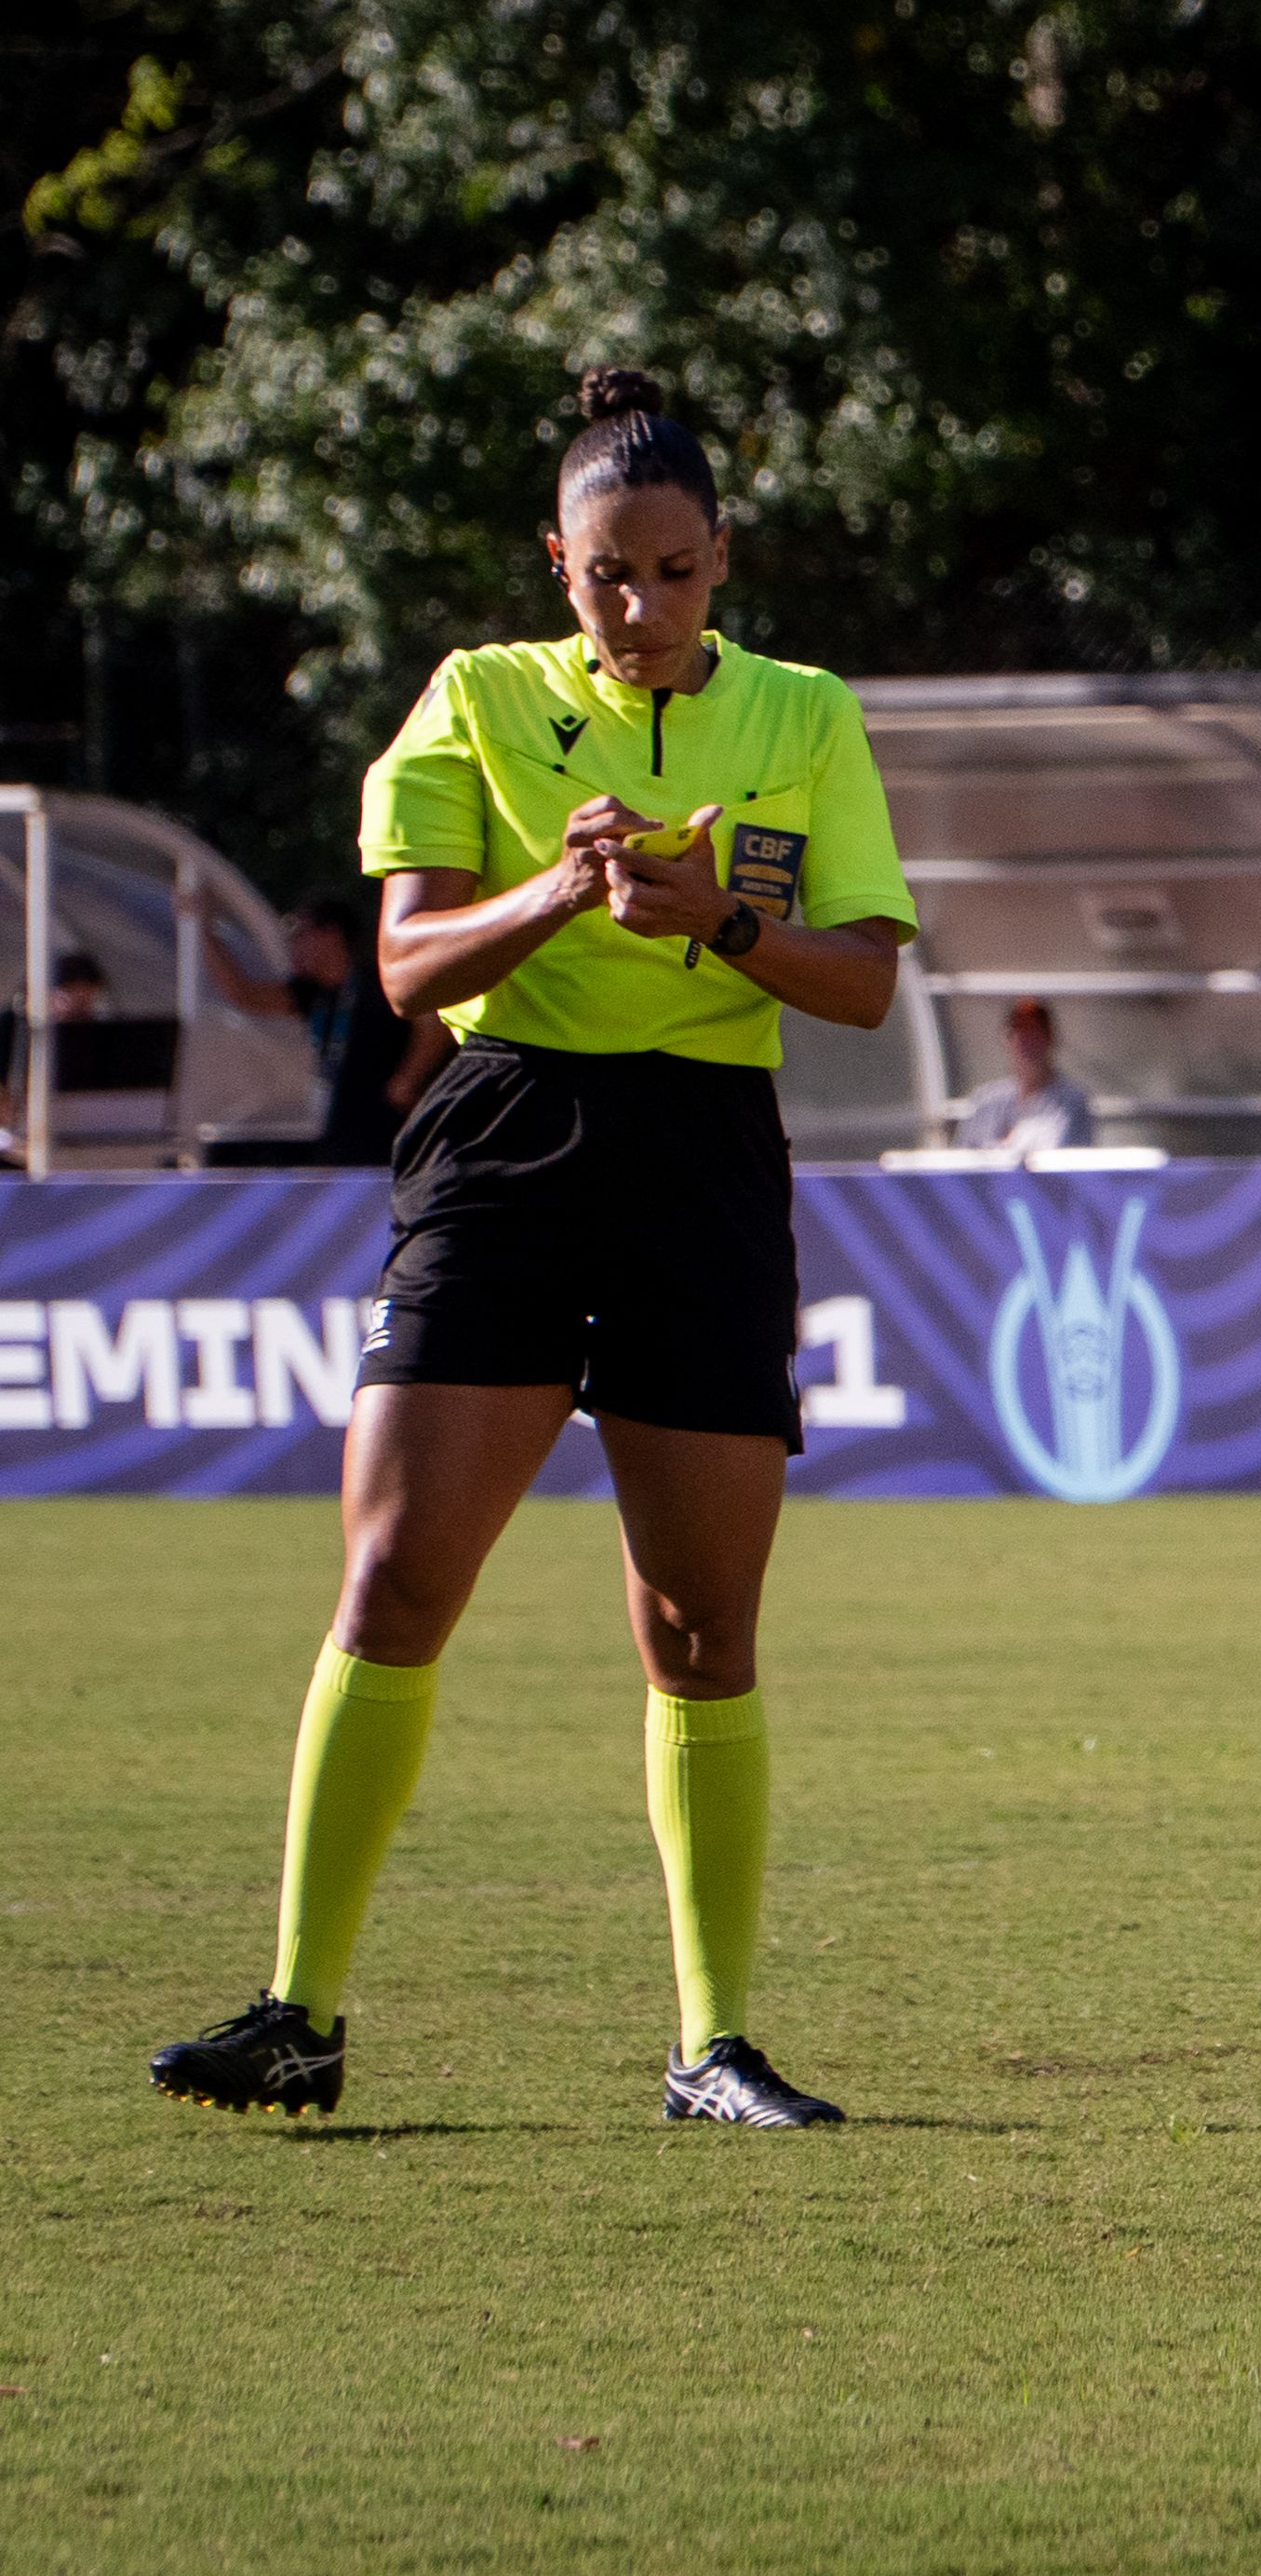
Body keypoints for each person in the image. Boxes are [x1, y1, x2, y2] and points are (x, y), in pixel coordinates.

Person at [142, 367, 916, 2132]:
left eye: (673, 572)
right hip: (505, 1136)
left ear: (723, 556)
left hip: (704, 1155)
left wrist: (719, 922)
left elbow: (865, 981)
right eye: (606, 576)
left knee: (698, 1622)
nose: (640, 607)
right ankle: (300, 2012)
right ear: (557, 567)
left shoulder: (804, 712)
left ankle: (713, 2046)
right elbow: (410, 966)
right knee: (396, 1575)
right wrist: (558, 891)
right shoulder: (478, 698)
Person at [206, 890, 451, 1166]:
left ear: (331, 934)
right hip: (339, 1137)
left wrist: (407, 1080)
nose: (293, 945)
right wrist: (204, 930)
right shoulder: (315, 994)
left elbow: (435, 1021)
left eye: (299, 933)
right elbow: (244, 994)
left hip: (386, 1136)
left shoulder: (378, 984)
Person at [953, 996, 1094, 1153]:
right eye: (1021, 1034)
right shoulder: (986, 1100)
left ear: (1050, 1038)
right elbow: (962, 1157)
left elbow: (1068, 1158)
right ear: (1007, 1040)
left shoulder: (1072, 1103)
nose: (1028, 1042)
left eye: (1035, 1033)